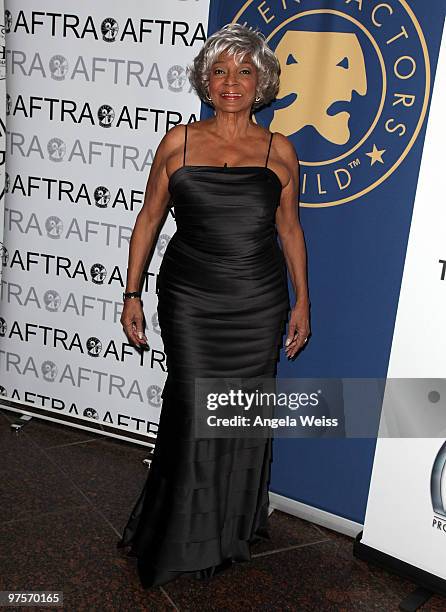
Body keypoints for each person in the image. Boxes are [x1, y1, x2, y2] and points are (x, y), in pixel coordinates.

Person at [117, 23, 310, 588]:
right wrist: (131, 291)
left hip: (257, 299)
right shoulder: (177, 142)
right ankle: (178, 534)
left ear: (261, 82)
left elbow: (291, 231)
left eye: (244, 72)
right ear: (206, 80)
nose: (231, 82)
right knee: (193, 407)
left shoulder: (280, 149)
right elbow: (149, 219)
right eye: (220, 71)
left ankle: (228, 529)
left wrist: (302, 303)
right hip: (191, 297)